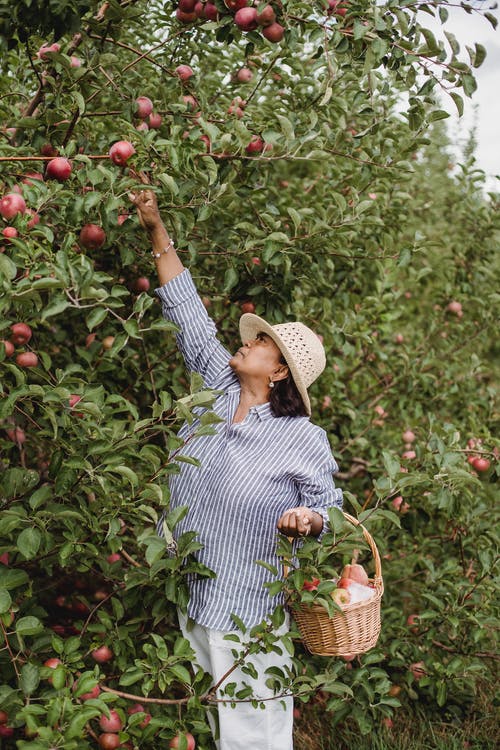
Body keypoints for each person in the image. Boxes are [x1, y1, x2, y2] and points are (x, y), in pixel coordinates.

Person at [130, 189, 343, 750]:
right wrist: (156, 227)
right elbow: (186, 310)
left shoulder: (302, 436)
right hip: (188, 586)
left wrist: (309, 519)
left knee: (254, 736)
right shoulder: (218, 390)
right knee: (201, 721)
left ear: (277, 373)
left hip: (248, 605)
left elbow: (333, 511)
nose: (248, 342)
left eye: (263, 343)